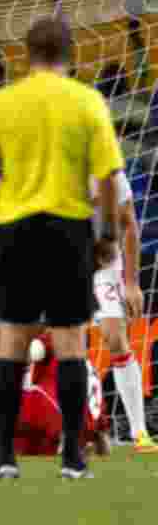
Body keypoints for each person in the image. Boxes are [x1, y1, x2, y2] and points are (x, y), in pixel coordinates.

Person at [0, 16, 125, 480]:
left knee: (12, 345)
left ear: (25, 54)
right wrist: (107, 236)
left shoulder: (4, 101)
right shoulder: (87, 101)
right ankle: (73, 457)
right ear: (70, 55)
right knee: (70, 345)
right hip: (69, 229)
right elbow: (110, 177)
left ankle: (6, 458)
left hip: (16, 232)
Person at [0, 332, 110, 458]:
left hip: (45, 408)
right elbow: (102, 438)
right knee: (11, 442)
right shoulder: (90, 371)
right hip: (66, 436)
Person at [91, 170, 157, 452]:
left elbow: (129, 224)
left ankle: (139, 432)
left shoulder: (107, 168)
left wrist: (131, 283)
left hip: (105, 264)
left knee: (115, 338)